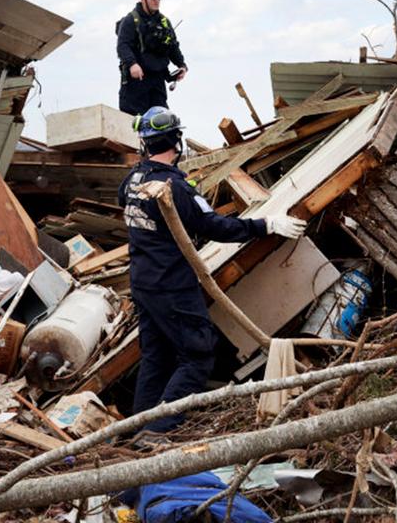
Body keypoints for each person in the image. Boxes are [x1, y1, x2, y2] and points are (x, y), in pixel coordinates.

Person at [117, 106, 306, 442]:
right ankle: (156, 430)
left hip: (143, 283)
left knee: (156, 357)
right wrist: (266, 224)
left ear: (145, 143)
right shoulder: (174, 187)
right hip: (173, 286)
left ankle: (136, 430)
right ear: (176, 141)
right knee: (197, 357)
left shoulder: (131, 181)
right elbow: (214, 226)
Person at [116, 0, 188, 115]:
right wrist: (132, 64)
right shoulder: (130, 20)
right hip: (136, 81)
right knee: (134, 120)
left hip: (158, 81)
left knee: (162, 120)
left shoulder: (164, 22)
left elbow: (173, 46)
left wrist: (182, 65)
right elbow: (123, 45)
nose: (156, 1)